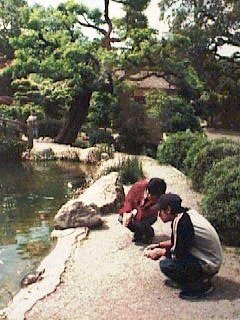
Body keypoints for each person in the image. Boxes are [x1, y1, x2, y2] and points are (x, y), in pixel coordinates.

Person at [144, 193, 223, 299]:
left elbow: (178, 253)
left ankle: (200, 285)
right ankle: (196, 279)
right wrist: (159, 245)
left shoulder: (180, 222)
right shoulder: (186, 215)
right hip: (213, 259)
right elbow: (179, 241)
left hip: (209, 264)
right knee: (169, 258)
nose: (158, 214)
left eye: (160, 211)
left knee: (166, 264)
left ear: (168, 209)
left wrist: (159, 252)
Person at [118, 178, 167, 244]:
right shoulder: (139, 186)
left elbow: (146, 212)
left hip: (148, 216)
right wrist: (127, 212)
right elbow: (129, 200)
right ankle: (139, 232)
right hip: (135, 212)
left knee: (139, 221)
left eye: (153, 195)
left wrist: (133, 213)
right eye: (149, 192)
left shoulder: (159, 200)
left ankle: (149, 233)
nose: (149, 196)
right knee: (121, 218)